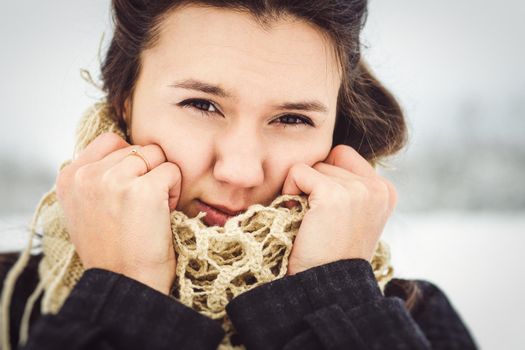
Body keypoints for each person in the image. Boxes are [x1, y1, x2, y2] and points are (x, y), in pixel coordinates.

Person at [0, 0, 478, 349]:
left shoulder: (415, 317)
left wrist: (334, 303)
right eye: (201, 105)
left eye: (292, 119)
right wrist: (127, 292)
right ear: (125, 101)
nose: (240, 170)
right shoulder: (10, 300)